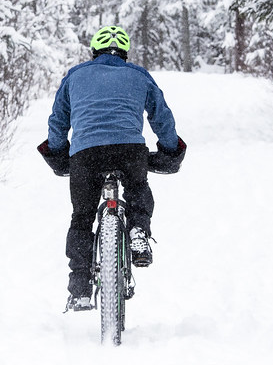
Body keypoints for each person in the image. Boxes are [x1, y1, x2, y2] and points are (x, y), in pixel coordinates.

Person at [43, 25, 185, 312]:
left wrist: (58, 153)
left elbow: (58, 121)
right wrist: (170, 149)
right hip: (129, 150)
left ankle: (81, 288)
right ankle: (138, 232)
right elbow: (161, 117)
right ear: (125, 53)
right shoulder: (138, 75)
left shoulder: (75, 75)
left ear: (93, 51)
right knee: (137, 188)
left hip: (85, 153)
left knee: (82, 218)